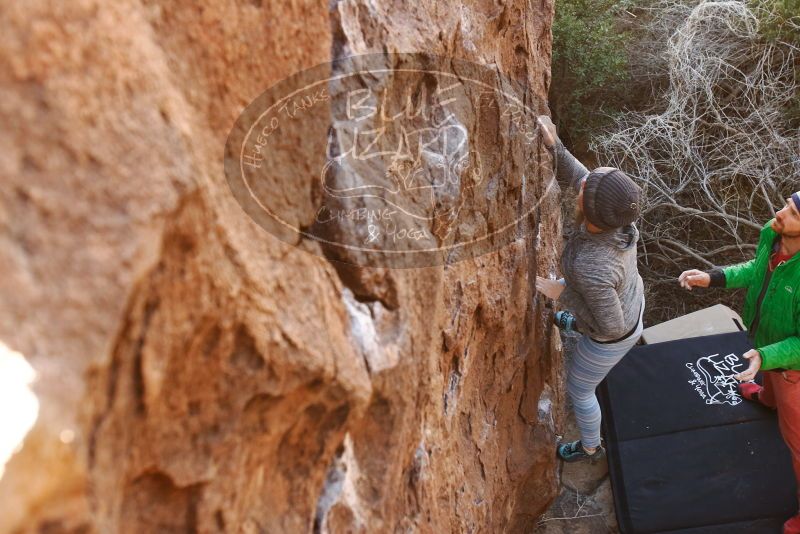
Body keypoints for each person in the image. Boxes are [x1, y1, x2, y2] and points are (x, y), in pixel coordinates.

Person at [679, 192, 800, 533]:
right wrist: (714, 277)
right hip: (765, 347)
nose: (779, 213)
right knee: (768, 383)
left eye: (792, 213)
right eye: (786, 205)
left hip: (793, 367)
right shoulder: (772, 233)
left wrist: (767, 356)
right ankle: (765, 399)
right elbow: (756, 269)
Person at [535, 116, 645, 463]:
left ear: (589, 208)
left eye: (586, 189)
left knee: (580, 390)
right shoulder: (619, 217)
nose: (582, 184)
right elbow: (584, 179)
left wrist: (561, 293)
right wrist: (556, 146)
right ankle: (572, 323)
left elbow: (609, 326)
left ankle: (589, 447)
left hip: (613, 334)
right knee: (586, 313)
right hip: (628, 301)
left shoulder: (593, 264)